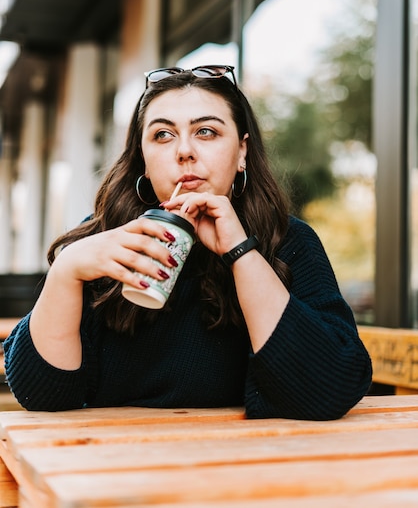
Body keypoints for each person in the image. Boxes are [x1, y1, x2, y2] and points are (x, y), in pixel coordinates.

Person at [4, 65, 372, 419]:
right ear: (144, 162)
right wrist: (67, 271)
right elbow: (43, 395)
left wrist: (241, 252)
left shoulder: (287, 240)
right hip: (115, 463)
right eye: (163, 135)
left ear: (242, 152)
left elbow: (332, 388)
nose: (184, 151)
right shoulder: (104, 242)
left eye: (207, 132)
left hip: (248, 467)